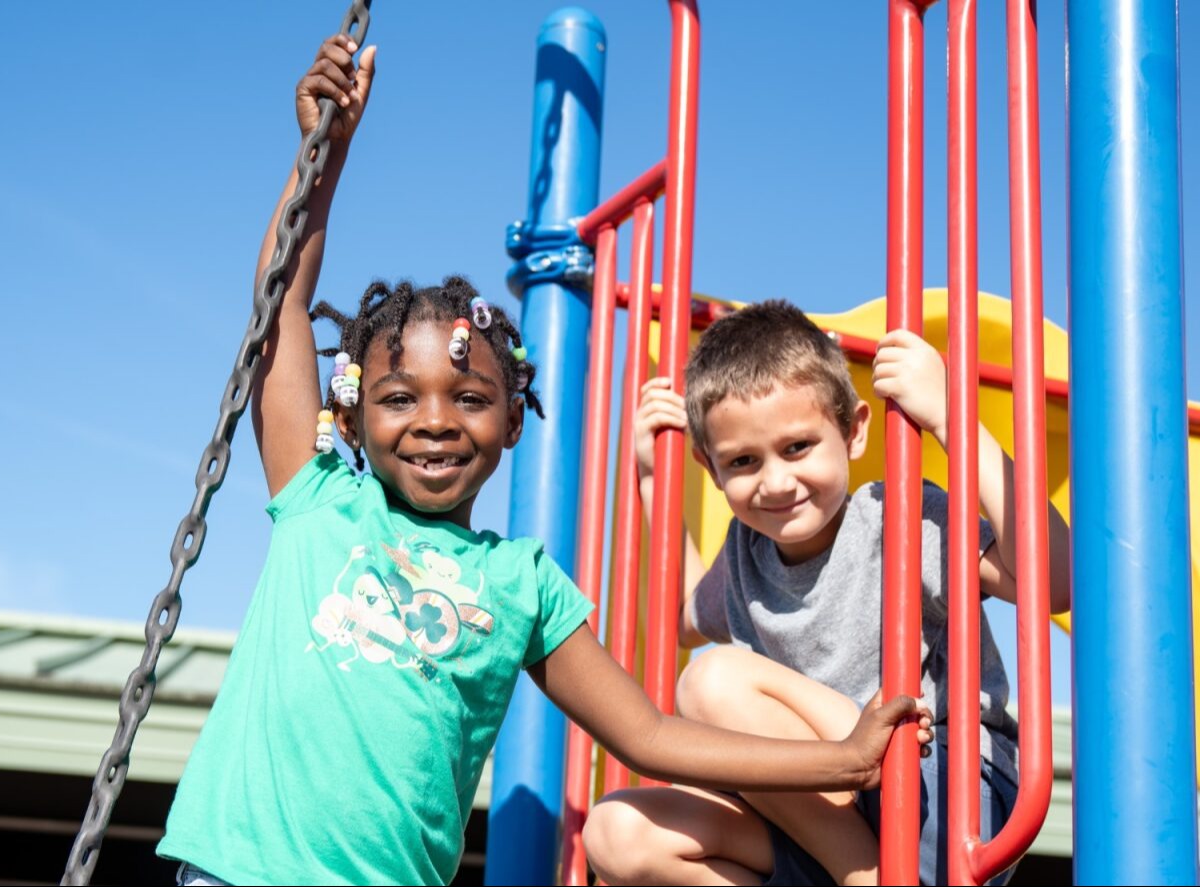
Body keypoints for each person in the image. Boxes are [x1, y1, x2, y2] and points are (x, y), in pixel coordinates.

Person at [154, 38, 932, 887]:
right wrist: (325, 151)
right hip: (238, 870)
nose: (436, 422)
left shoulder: (521, 583)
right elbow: (283, 305)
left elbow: (649, 734)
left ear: (515, 421)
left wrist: (844, 761)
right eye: (400, 398)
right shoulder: (319, 498)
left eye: (471, 398)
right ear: (352, 413)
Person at [583, 299, 1072, 886]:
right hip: (821, 815)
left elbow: (1056, 582)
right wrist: (653, 478)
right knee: (615, 833)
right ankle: (861, 872)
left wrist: (951, 418)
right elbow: (683, 614)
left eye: (797, 447)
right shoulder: (746, 553)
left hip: (940, 790)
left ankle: (868, 877)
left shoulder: (897, 519)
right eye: (742, 461)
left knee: (712, 682)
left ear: (854, 431)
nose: (776, 481)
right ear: (710, 470)